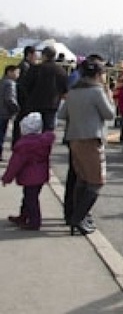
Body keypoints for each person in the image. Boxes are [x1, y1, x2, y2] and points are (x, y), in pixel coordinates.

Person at [57, 60, 116, 235]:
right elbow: (110, 114)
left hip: (74, 137)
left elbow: (62, 114)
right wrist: (109, 95)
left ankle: (77, 216)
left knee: (82, 178)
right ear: (99, 74)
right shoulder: (97, 91)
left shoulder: (74, 91)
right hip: (91, 138)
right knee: (97, 181)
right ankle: (79, 217)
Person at [2, 112, 55, 230]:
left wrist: (7, 178)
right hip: (41, 174)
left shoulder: (23, 146)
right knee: (30, 197)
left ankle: (34, 222)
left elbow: (15, 164)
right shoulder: (43, 143)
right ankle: (24, 216)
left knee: (30, 199)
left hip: (29, 176)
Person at [18, 46, 68, 132]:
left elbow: (25, 85)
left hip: (34, 104)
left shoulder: (35, 68)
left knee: (32, 130)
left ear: (43, 55)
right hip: (52, 105)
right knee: (48, 131)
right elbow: (65, 89)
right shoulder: (61, 71)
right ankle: (46, 145)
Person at [0, 65, 20, 161]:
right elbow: (10, 99)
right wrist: (16, 109)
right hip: (4, 113)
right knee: (1, 135)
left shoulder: (2, 81)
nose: (18, 75)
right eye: (16, 72)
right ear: (9, 72)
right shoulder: (10, 83)